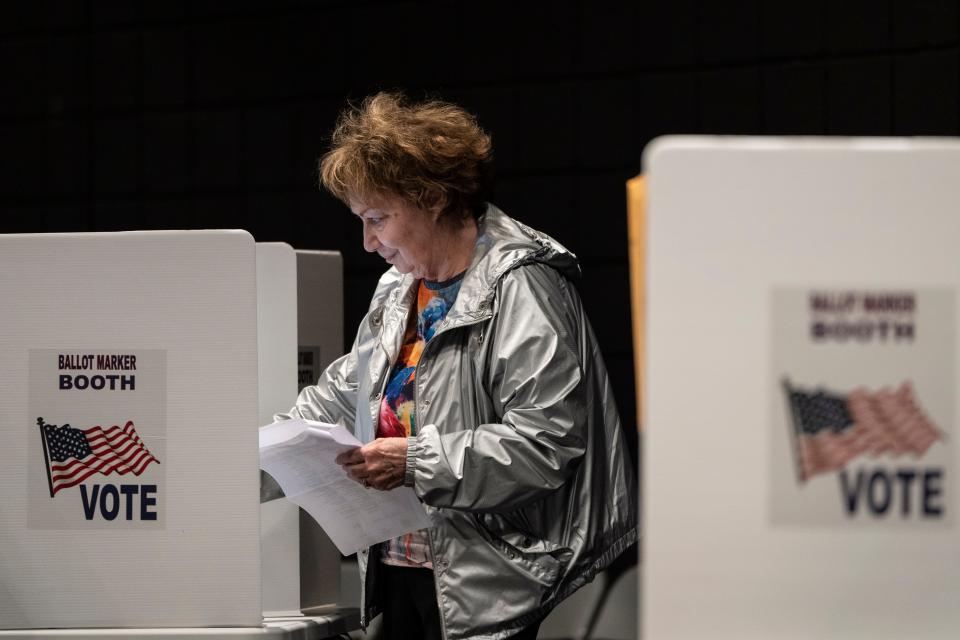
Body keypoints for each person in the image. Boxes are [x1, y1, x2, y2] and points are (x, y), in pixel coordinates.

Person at [276, 92, 638, 640]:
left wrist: (417, 462)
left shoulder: (522, 286)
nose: (368, 242)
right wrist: (262, 454)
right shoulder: (400, 288)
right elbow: (346, 390)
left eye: (378, 219)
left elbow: (547, 444)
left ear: (433, 200)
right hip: (401, 569)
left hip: (484, 582)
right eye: (361, 220)